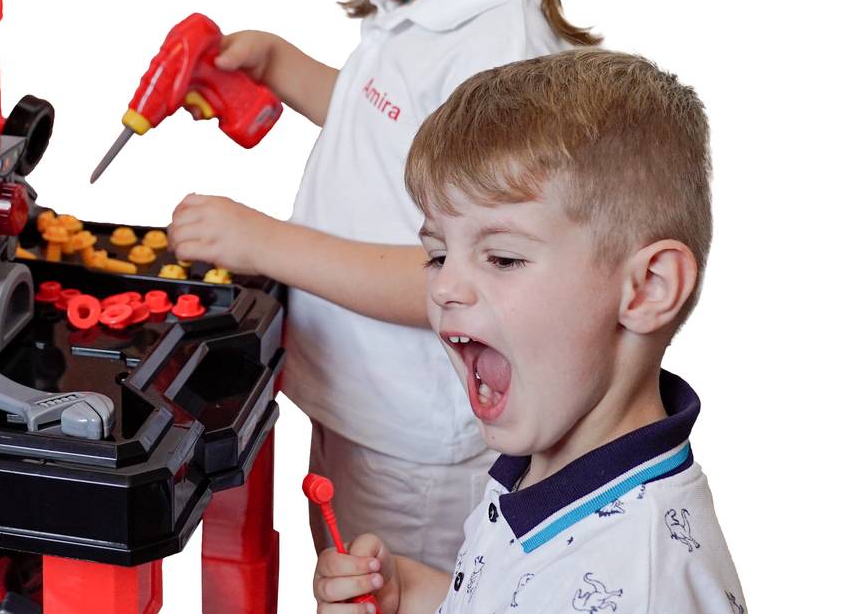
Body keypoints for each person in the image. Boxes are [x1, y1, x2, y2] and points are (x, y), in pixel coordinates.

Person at [167, 0, 598, 569]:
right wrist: (281, 67)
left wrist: (264, 243)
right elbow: (394, 132)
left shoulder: (500, 54)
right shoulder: (425, 2)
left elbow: (465, 278)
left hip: (416, 448)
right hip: (361, 406)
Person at [312, 50, 746, 614]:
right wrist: (411, 596)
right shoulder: (549, 460)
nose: (444, 288)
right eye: (438, 255)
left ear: (647, 288)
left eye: (502, 258)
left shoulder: (639, 582)